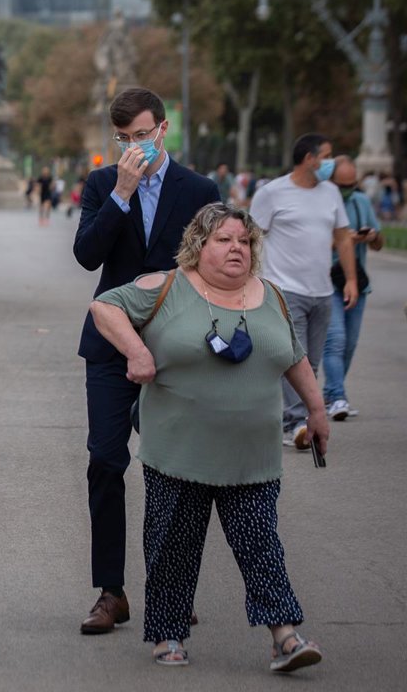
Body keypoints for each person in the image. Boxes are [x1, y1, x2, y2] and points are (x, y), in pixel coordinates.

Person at [90, 203, 328, 674]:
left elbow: (294, 356)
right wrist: (136, 351)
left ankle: (285, 637)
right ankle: (169, 635)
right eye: (224, 240)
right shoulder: (166, 287)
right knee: (173, 548)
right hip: (179, 453)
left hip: (252, 457)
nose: (237, 248)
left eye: (244, 241)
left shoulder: (271, 296)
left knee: (262, 547)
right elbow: (104, 306)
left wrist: (317, 411)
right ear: (199, 246)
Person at [72, 86, 220, 635]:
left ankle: (171, 587)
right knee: (106, 460)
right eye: (124, 138)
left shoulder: (199, 190)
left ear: (163, 129)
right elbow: (87, 255)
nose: (135, 145)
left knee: (177, 469)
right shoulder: (102, 184)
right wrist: (122, 194)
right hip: (112, 343)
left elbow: (215, 269)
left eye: (142, 134)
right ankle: (111, 591)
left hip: (178, 347)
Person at [248, 134, 357, 450]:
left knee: (312, 362)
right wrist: (251, 282)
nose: (331, 162)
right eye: (327, 156)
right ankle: (295, 421)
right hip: (286, 290)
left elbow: (343, 238)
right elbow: (251, 237)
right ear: (309, 159)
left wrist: (350, 279)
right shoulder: (272, 193)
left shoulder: (331, 192)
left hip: (322, 291)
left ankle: (304, 415)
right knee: (294, 357)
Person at [322, 157, 384, 420]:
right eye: (342, 185)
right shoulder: (321, 203)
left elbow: (379, 243)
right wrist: (345, 241)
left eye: (352, 185)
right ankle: (338, 397)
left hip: (356, 281)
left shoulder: (361, 202)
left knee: (349, 344)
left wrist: (371, 236)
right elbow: (313, 246)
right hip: (327, 281)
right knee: (335, 340)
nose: (348, 190)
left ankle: (330, 393)